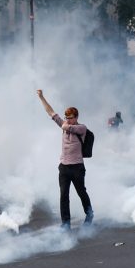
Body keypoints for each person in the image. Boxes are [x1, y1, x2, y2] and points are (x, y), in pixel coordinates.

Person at [37, 90, 93, 229]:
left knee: (81, 192)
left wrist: (64, 124)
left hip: (77, 167)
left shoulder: (81, 128)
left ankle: (89, 214)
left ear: (76, 117)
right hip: (64, 167)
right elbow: (50, 112)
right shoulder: (64, 125)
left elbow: (67, 126)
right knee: (64, 196)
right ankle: (66, 223)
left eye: (71, 117)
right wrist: (41, 97)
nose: (68, 119)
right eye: (66, 117)